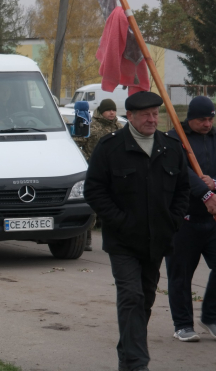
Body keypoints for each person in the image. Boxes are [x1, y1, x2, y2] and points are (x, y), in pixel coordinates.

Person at [84, 91, 190, 371]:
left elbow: (183, 190)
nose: (152, 119)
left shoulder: (171, 148)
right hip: (123, 241)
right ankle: (136, 364)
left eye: (156, 114)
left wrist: (173, 221)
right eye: (145, 115)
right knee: (131, 296)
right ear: (129, 116)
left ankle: (127, 355)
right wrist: (119, 221)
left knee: (144, 300)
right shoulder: (110, 148)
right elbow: (94, 190)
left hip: (157, 241)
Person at [165, 96, 216, 343]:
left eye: (210, 119)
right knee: (181, 274)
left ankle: (211, 317)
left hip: (213, 218)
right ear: (190, 119)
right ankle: (183, 324)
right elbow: (179, 171)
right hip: (183, 219)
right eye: (202, 120)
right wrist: (205, 191)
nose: (207, 124)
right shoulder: (174, 138)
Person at [74, 98, 123, 251]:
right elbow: (77, 142)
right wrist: (86, 159)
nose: (112, 112)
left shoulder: (119, 127)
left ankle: (117, 238)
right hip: (95, 170)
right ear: (102, 111)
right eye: (109, 110)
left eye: (114, 110)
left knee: (116, 205)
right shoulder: (92, 126)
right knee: (94, 205)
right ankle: (86, 238)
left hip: (115, 172)